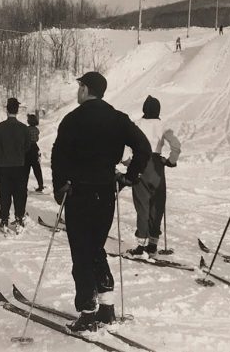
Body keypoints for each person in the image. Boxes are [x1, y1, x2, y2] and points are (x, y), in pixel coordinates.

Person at [51, 71, 151, 332]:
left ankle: (87, 311)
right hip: (106, 191)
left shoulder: (73, 119)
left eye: (79, 86)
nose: (78, 91)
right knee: (96, 247)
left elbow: (58, 156)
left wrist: (59, 187)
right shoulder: (118, 119)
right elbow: (144, 148)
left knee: (81, 251)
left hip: (79, 192)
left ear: (85, 89)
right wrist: (130, 176)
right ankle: (106, 306)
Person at [126, 95, 181, 258]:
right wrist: (171, 161)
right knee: (157, 204)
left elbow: (123, 144)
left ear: (144, 109)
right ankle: (153, 244)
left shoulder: (136, 124)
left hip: (140, 164)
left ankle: (140, 245)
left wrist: (127, 161)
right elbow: (176, 146)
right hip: (157, 166)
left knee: (142, 205)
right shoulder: (163, 126)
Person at [0, 97, 31, 231]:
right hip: (19, 165)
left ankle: (4, 218)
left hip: (4, 165)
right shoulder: (24, 128)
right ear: (17, 111)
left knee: (5, 192)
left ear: (7, 110)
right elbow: (27, 147)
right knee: (20, 192)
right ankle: (19, 217)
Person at [25, 113, 44, 192]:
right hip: (35, 148)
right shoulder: (36, 130)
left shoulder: (26, 129)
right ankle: (40, 185)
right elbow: (37, 139)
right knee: (37, 169)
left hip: (27, 149)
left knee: (25, 169)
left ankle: (24, 185)